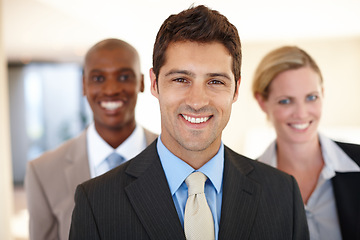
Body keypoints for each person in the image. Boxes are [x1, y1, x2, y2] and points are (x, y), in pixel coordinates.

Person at [69, 6, 309, 240]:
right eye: (181, 79)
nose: (197, 101)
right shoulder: (97, 202)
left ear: (235, 89)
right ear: (154, 83)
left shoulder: (282, 193)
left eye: (215, 81)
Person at [25, 38, 158, 240]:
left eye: (123, 77)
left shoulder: (175, 155)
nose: (111, 89)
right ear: (84, 85)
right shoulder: (43, 172)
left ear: (141, 82)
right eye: (98, 78)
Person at [252, 46, 360, 240]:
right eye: (285, 101)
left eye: (311, 97)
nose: (301, 113)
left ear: (323, 94)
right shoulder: (245, 185)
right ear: (262, 102)